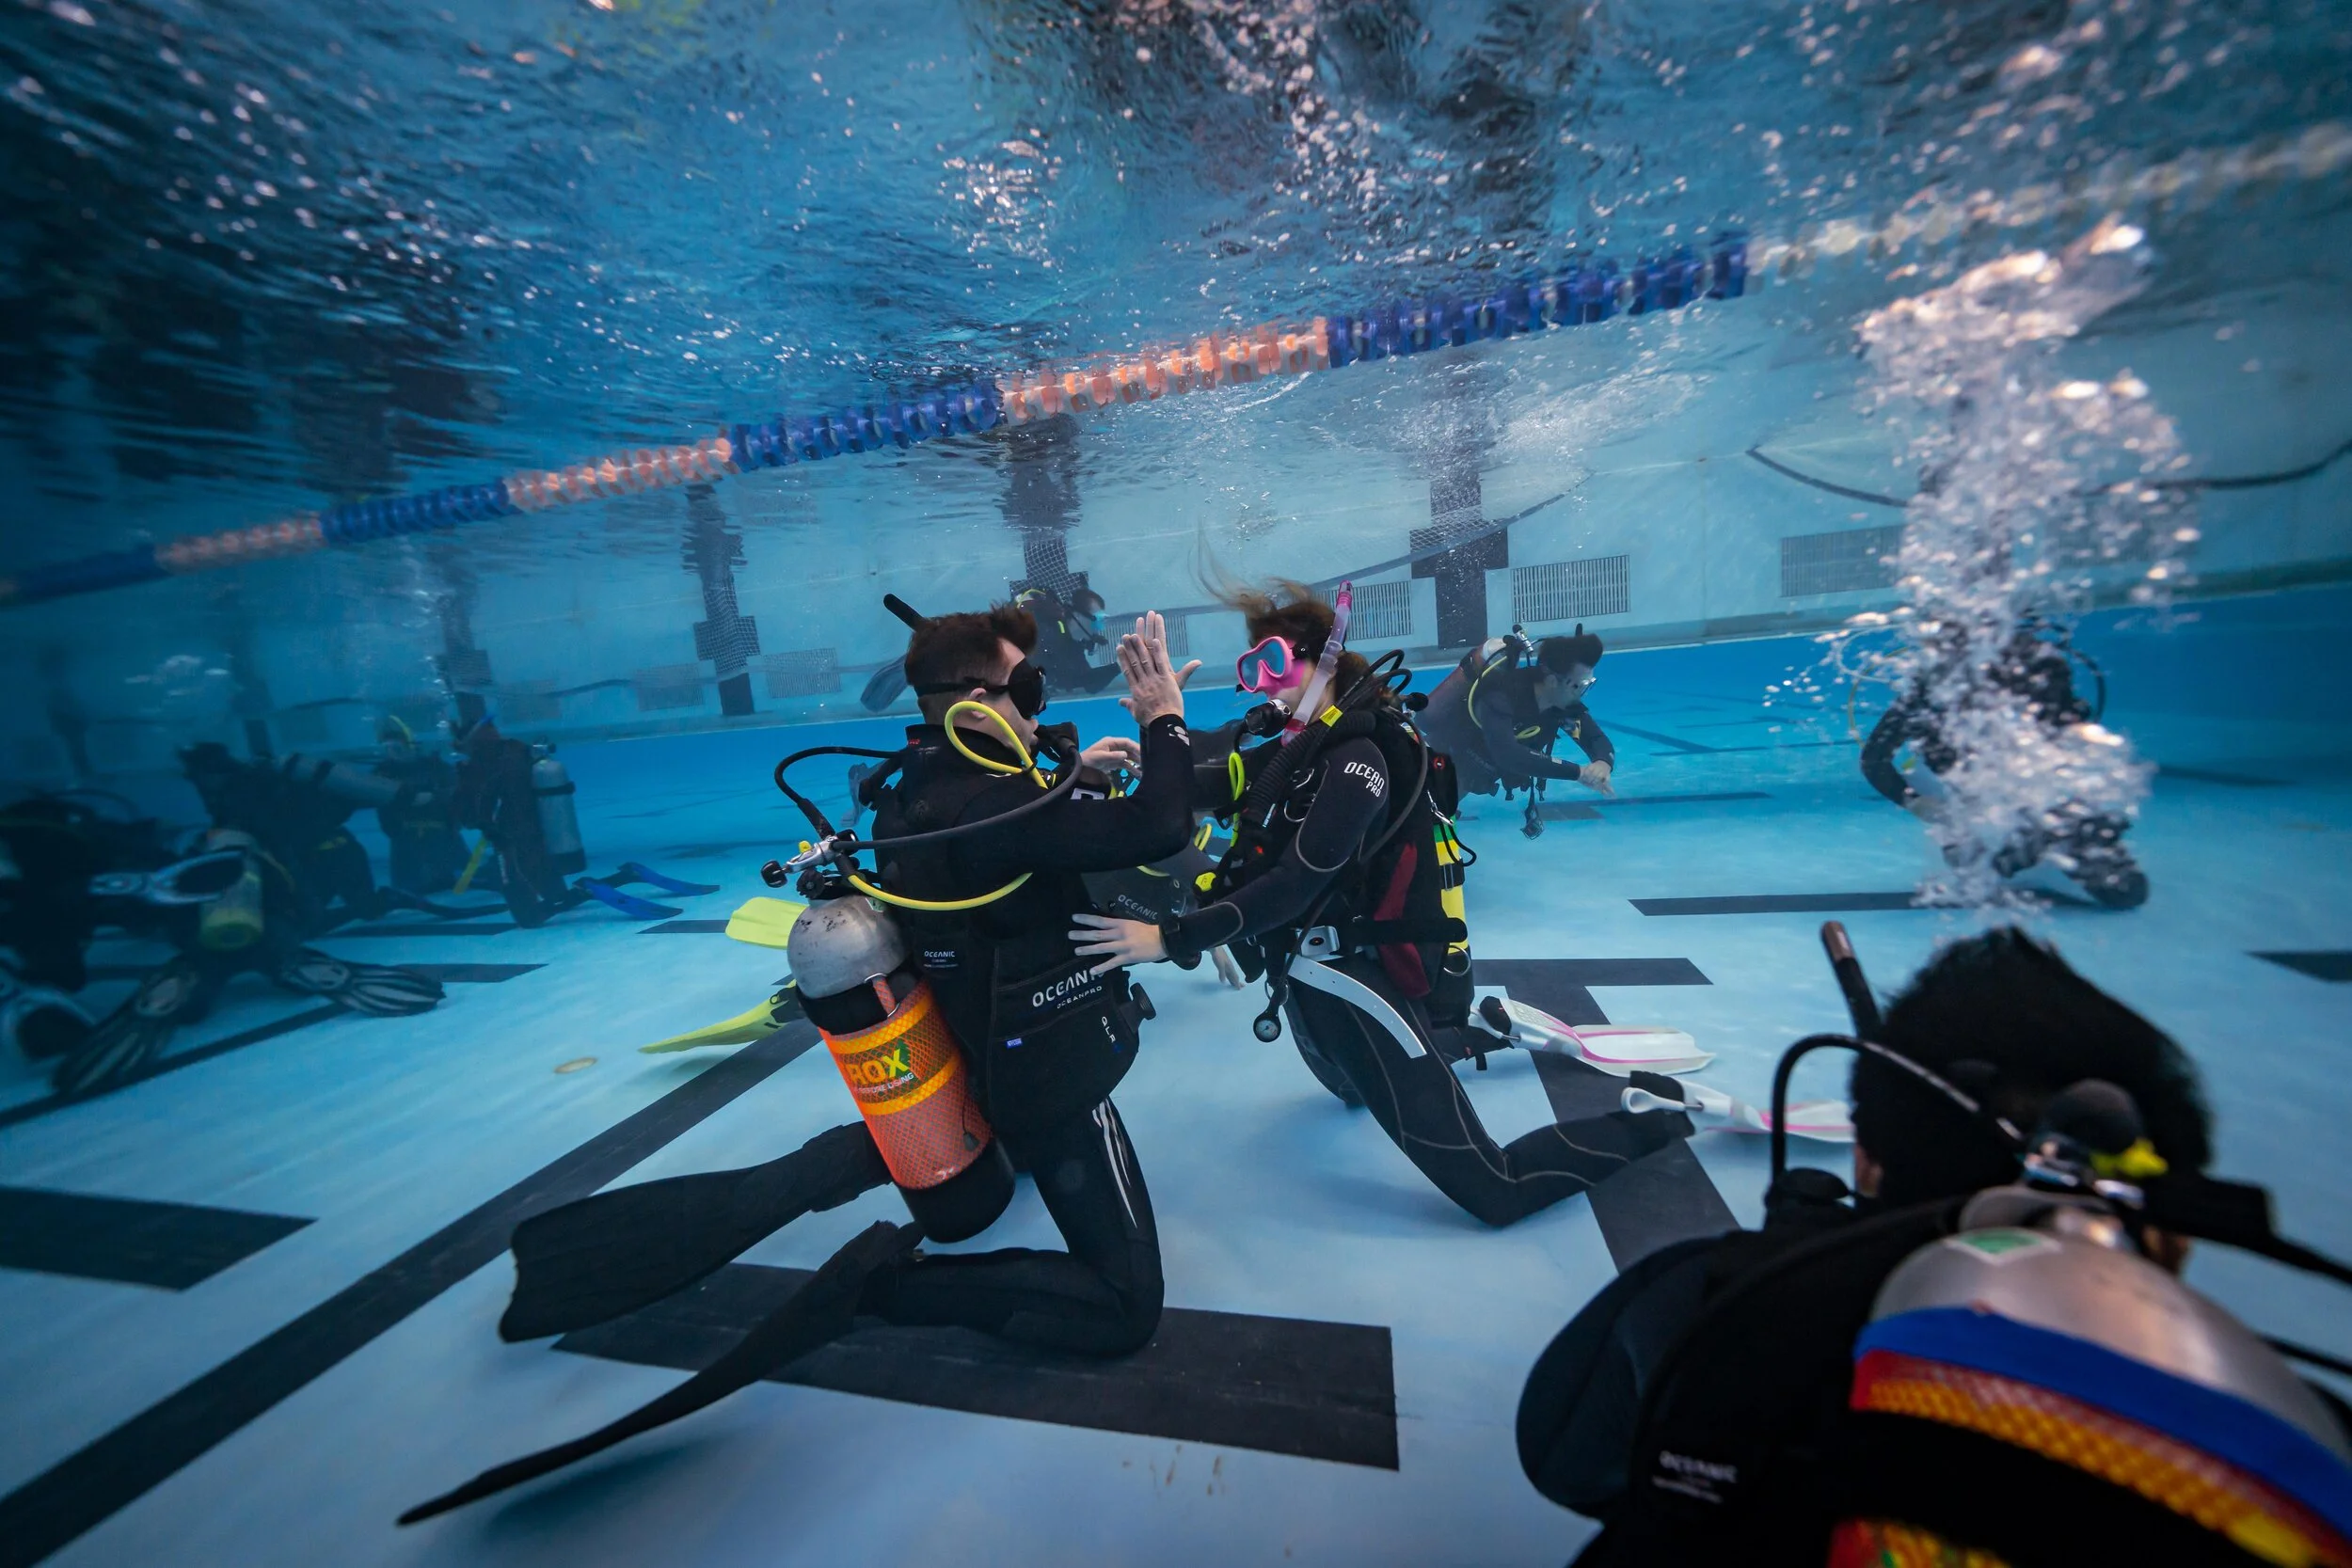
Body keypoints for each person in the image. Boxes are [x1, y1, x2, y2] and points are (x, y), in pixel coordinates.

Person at [403, 605, 1200, 1526]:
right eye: (1029, 686)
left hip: (968, 1054)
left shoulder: (913, 785)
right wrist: (1162, 717)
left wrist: (1071, 773)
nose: (1038, 702)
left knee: (984, 1160)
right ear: (976, 700)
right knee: (1122, 1306)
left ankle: (875, 1159)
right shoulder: (992, 809)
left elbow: (1005, 824)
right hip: (1043, 1075)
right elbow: (1161, 822)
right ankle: (880, 1288)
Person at [1513, 927, 2241, 1564]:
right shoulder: (2254, 1446)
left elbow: (1566, 1458)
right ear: (2168, 1233)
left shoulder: (1714, 1299)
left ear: (1867, 1161)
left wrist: (1794, 1265)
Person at [1066, 582, 1685, 1228]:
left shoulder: (1359, 758)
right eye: (1251, 669)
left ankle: (1657, 1117)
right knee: (1350, 1089)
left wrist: (1169, 938)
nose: (1262, 686)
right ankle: (1474, 1031)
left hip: (1356, 986)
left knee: (1496, 1187)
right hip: (1303, 985)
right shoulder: (1292, 754)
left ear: (1326, 661)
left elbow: (1294, 885)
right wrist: (1161, 728)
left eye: (1273, 663)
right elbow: (1193, 790)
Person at [1861, 626, 2148, 909]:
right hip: (1951, 787)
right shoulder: (1930, 693)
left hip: (2027, 778)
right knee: (1972, 868)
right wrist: (1914, 801)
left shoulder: (2035, 670)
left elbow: (2071, 728)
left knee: (2122, 889)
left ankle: (2042, 843)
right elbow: (1874, 760)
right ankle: (2023, 847)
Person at [1420, 626, 1616, 810]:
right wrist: (1578, 772)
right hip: (1432, 763)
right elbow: (1508, 754)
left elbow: (1594, 738)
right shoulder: (1500, 696)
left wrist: (1602, 763)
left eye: (1587, 685)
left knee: (1438, 815)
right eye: (1579, 686)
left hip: (1465, 776)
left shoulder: (1559, 706)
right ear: (1552, 681)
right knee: (1426, 817)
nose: (1581, 694)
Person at [1015, 582, 1124, 696]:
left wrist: (1117, 666)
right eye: (1097, 620)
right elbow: (1082, 682)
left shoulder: (1069, 639)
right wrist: (1118, 666)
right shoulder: (1052, 637)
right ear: (1077, 616)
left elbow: (1086, 680)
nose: (1099, 628)